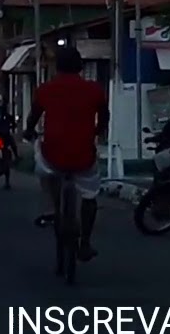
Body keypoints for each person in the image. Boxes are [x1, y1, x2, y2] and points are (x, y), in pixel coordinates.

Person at [23, 45, 108, 262]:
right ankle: (86, 242)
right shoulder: (95, 90)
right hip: (83, 155)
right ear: (80, 66)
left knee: (43, 167)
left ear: (57, 67)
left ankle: (51, 207)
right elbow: (104, 118)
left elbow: (32, 119)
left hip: (53, 155)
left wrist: (29, 131)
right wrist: (96, 133)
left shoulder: (45, 89)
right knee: (90, 195)